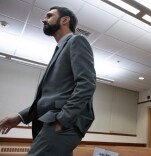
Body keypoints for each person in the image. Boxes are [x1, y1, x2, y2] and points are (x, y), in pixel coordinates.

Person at [0, 6, 96, 155]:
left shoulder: (77, 41)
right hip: (51, 120)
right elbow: (48, 98)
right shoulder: (59, 49)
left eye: (49, 16)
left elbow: (87, 84)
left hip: (62, 122)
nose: (44, 19)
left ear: (65, 20)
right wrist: (20, 116)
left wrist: (63, 119)